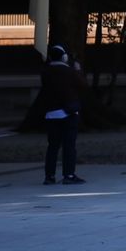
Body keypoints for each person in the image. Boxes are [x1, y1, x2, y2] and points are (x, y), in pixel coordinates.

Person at [35, 44, 87, 186]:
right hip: (69, 112)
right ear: (64, 57)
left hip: (51, 113)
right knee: (69, 145)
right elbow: (82, 85)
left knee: (52, 146)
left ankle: (49, 176)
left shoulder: (45, 72)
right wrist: (77, 70)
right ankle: (68, 174)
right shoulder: (70, 72)